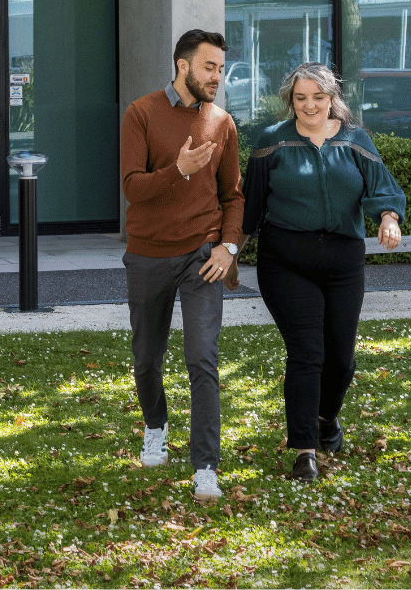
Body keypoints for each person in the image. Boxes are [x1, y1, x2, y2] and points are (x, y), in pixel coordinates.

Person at [241, 61, 406, 483]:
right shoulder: (271, 143)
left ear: (332, 99)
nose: (309, 105)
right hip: (285, 260)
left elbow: (382, 187)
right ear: (290, 101)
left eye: (318, 96)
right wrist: (231, 251)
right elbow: (251, 206)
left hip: (342, 260)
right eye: (300, 97)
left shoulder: (354, 139)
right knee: (307, 351)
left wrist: (388, 217)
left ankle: (326, 418)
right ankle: (304, 451)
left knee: (341, 358)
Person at [120, 29, 244, 503]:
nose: (217, 76)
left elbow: (234, 197)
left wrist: (227, 248)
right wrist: (181, 170)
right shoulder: (141, 113)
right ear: (183, 66)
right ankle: (156, 426)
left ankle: (205, 465)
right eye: (209, 67)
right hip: (148, 253)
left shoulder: (222, 123)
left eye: (221, 68)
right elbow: (133, 187)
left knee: (201, 358)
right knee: (147, 358)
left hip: (201, 256)